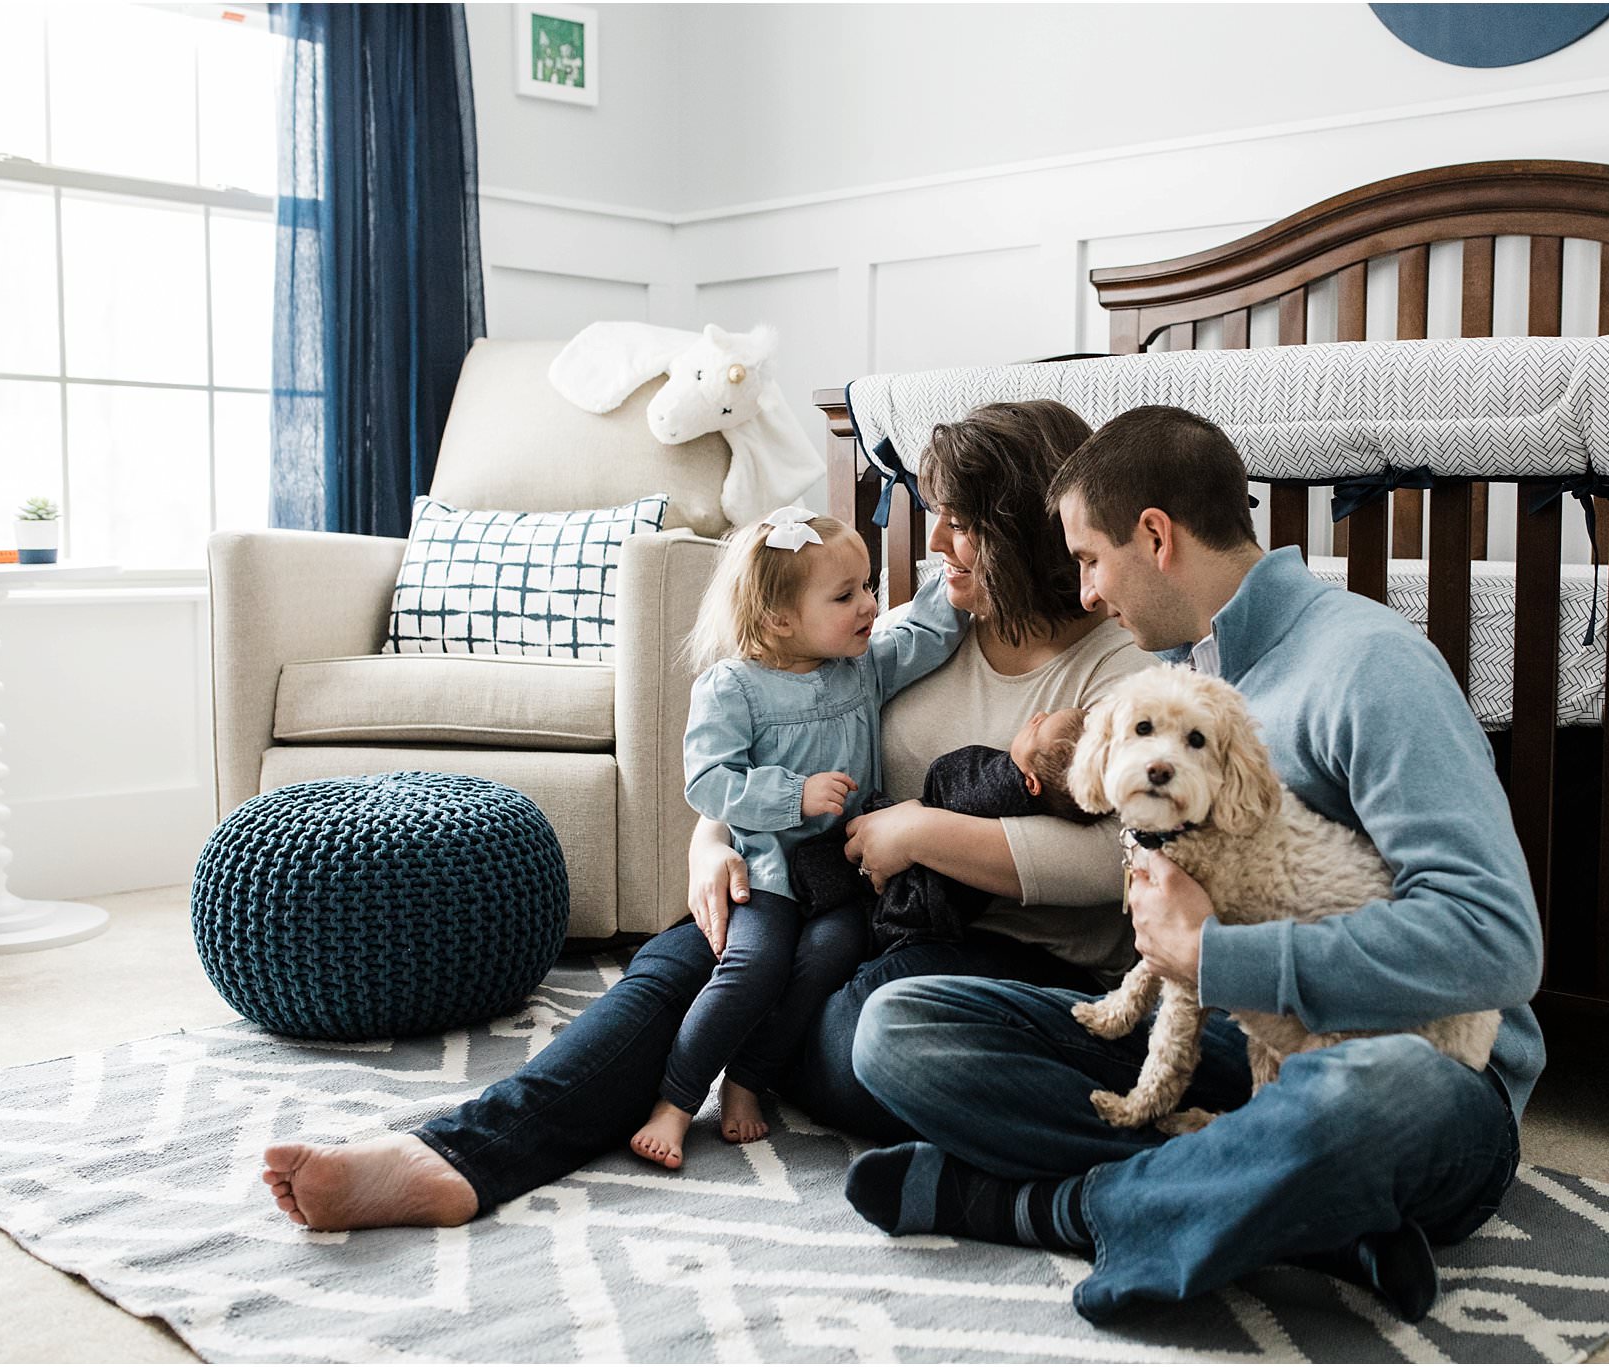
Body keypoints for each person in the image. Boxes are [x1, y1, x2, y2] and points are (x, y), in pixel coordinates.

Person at [256, 399, 1150, 1231]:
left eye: (965, 520)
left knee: (848, 1034)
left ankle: (748, 1059)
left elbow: (1114, 862)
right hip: (853, 892)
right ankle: (458, 1153)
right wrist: (714, 834)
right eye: (937, 511)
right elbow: (790, 728)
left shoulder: (1117, 665)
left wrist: (916, 831)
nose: (938, 537)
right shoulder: (933, 616)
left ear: (1032, 529)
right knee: (683, 957)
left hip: (1001, 949)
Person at [842, 405, 1546, 1325]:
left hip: (1410, 1060)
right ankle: (1304, 1212)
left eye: (1091, 560)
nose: (1086, 592)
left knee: (1382, 1099)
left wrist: (1219, 957)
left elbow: (1497, 943)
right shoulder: (1167, 680)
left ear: (1156, 537)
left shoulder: (1370, 666)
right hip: (1224, 1046)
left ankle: (1043, 1207)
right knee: (898, 1029)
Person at [631, 506, 967, 1166]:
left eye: (869, 585)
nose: (871, 605)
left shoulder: (861, 666)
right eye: (846, 595)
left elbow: (926, 634)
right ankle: (674, 1100)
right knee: (753, 967)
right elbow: (707, 781)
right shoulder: (733, 687)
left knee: (828, 957)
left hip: (841, 874)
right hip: (770, 872)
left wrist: (959, 582)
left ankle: (748, 1080)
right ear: (779, 618)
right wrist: (792, 793)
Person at [849, 705, 1092, 957]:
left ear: (1031, 783)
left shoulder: (996, 788)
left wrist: (911, 827)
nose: (1038, 716)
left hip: (911, 899)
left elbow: (948, 775)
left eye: (1037, 730)